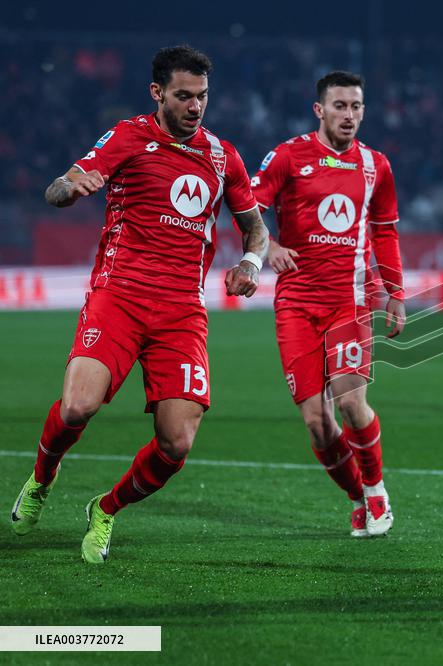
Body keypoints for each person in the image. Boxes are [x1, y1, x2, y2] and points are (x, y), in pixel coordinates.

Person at [10, 45, 268, 564]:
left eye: (203, 97)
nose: (195, 107)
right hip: (119, 297)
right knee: (78, 406)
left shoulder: (225, 157)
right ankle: (42, 476)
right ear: (158, 94)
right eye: (183, 96)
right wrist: (71, 187)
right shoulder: (129, 137)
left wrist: (251, 265)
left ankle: (105, 509)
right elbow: (56, 189)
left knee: (176, 444)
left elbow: (256, 229)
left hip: (181, 312)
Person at [251, 71, 404, 537]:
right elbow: (248, 204)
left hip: (349, 301)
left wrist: (395, 293)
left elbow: (386, 232)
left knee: (352, 402)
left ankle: (377, 493)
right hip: (296, 302)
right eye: (340, 106)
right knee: (319, 423)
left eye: (356, 106)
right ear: (319, 110)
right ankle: (357, 495)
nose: (349, 115)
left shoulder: (376, 165)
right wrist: (267, 246)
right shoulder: (287, 155)